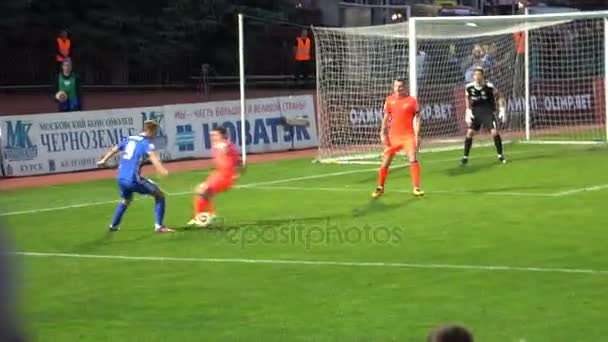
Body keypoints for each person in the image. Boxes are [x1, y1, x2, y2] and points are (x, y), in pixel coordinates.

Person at [97, 120, 173, 233]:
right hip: (132, 179)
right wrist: (161, 169)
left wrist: (103, 160)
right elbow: (153, 157)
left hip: (121, 178)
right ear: (149, 130)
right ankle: (159, 226)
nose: (155, 135)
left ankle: (113, 226)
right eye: (154, 132)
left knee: (126, 200)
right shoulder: (146, 143)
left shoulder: (130, 138)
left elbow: (115, 149)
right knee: (160, 195)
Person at [371, 79, 424, 199]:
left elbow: (418, 116)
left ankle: (416, 187)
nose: (398, 88)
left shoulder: (412, 101)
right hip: (393, 136)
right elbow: (386, 116)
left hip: (408, 135)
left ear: (404, 87)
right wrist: (382, 131)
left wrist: (417, 134)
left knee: (412, 158)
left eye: (400, 86)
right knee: (386, 162)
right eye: (396, 86)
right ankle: (380, 187)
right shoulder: (390, 100)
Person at [188, 126, 242, 227]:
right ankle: (206, 217)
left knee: (202, 191)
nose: (212, 137)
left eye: (215, 135)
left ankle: (202, 217)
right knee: (202, 193)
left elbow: (227, 149)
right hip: (217, 173)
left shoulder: (225, 144)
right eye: (211, 135)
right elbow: (238, 161)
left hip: (224, 175)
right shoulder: (216, 144)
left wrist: (235, 175)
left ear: (222, 135)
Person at [461, 66, 507, 165]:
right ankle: (465, 157)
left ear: (483, 76)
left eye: (479, 74)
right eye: (475, 75)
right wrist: (468, 110)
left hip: (488, 111)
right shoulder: (469, 87)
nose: (477, 77)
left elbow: (499, 96)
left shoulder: (489, 86)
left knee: (494, 132)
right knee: (469, 133)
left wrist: (501, 109)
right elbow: (467, 97)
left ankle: (500, 155)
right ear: (473, 76)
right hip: (476, 112)